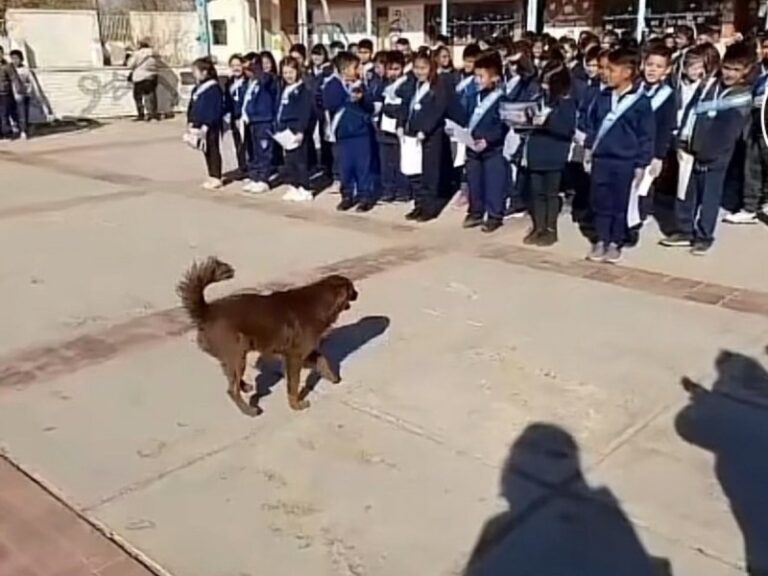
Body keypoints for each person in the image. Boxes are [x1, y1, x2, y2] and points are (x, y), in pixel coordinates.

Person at [661, 42, 754, 255]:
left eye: (736, 70)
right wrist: (682, 136)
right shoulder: (710, 84)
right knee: (685, 190)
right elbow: (692, 109)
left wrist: (708, 154)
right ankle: (684, 229)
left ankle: (704, 235)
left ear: (746, 70)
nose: (729, 73)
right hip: (690, 147)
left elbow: (727, 133)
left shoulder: (741, 96)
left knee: (709, 196)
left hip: (714, 157)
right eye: (727, 67)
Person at [584, 47, 655, 263]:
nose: (606, 73)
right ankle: (601, 239)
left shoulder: (640, 102)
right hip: (601, 159)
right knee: (600, 202)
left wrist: (642, 164)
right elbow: (592, 125)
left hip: (625, 161)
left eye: (611, 69)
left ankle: (616, 241)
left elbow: (646, 135)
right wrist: (588, 148)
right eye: (604, 68)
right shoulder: (602, 97)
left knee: (620, 203)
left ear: (627, 72)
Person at [523, 61, 577, 245]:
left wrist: (547, 122)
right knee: (536, 191)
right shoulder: (538, 98)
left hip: (554, 152)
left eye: (548, 82)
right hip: (536, 150)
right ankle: (538, 226)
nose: (544, 86)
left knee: (551, 193)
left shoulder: (566, 102)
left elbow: (567, 129)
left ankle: (550, 229)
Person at [401, 49, 452, 222]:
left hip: (431, 136)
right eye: (416, 68)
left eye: (423, 68)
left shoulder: (439, 85)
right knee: (415, 173)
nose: (419, 72)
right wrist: (401, 125)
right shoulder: (413, 84)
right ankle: (419, 204)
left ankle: (430, 208)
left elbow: (438, 110)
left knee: (430, 173)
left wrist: (425, 130)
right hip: (412, 135)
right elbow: (405, 106)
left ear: (431, 68)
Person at [462, 50, 510, 233]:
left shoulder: (501, 98)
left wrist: (488, 140)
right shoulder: (473, 97)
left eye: (481, 76)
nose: (477, 80)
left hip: (493, 149)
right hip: (472, 146)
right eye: (475, 76)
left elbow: (503, 126)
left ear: (495, 77)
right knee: (474, 182)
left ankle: (494, 215)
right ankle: (475, 212)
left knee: (493, 183)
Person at [724, 34, 768, 225]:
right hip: (756, 129)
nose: (763, 51)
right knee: (752, 169)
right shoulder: (761, 77)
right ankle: (750, 207)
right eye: (763, 47)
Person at [325, 51, 376, 212]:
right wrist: (348, 99)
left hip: (361, 134)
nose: (358, 70)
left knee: (363, 167)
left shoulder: (361, 84)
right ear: (345, 68)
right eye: (355, 67)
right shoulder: (332, 84)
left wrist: (361, 99)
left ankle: (365, 196)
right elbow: (329, 104)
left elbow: (370, 107)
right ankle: (347, 196)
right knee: (345, 167)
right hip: (343, 135)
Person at [276, 56, 314, 202]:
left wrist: (300, 130)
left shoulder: (303, 90)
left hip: (296, 129)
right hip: (285, 129)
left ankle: (305, 188)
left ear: (297, 71)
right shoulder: (284, 89)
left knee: (300, 160)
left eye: (291, 72)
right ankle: (293, 184)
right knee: (290, 160)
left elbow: (305, 111)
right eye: (285, 73)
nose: (288, 76)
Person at [376, 50, 410, 203]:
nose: (393, 73)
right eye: (390, 69)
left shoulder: (407, 84)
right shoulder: (383, 83)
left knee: (399, 161)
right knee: (385, 161)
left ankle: (403, 191)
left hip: (398, 128)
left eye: (396, 69)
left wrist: (390, 110)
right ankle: (388, 189)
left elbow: (405, 107)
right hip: (384, 128)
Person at [187, 57, 225, 189]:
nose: (194, 74)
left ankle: (216, 176)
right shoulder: (197, 88)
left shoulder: (213, 88)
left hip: (210, 125)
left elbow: (215, 108)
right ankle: (211, 174)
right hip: (198, 125)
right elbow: (192, 106)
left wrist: (207, 123)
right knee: (205, 150)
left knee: (213, 149)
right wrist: (191, 121)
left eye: (196, 71)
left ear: (205, 72)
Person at [241, 59, 277, 195]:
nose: (248, 72)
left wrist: (257, 69)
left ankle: (263, 178)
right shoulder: (251, 83)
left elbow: (265, 79)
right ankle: (255, 176)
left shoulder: (267, 80)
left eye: (250, 69)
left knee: (264, 150)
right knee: (253, 150)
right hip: (252, 121)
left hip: (264, 120)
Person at [225, 54, 248, 174]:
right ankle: (242, 167)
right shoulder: (229, 82)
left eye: (238, 65)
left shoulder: (248, 81)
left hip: (245, 117)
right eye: (233, 65)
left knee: (248, 144)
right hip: (234, 117)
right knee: (238, 143)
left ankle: (251, 168)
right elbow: (227, 100)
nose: (236, 68)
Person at [127, 39, 160, 121]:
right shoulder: (155, 54)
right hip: (152, 77)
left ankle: (141, 114)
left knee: (138, 97)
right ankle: (152, 114)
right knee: (151, 96)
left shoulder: (137, 54)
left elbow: (130, 65)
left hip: (140, 77)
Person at [0, 46, 20, 141]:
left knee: (4, 113)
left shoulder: (7, 66)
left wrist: (18, 89)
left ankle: (7, 132)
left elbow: (14, 78)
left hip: (5, 93)